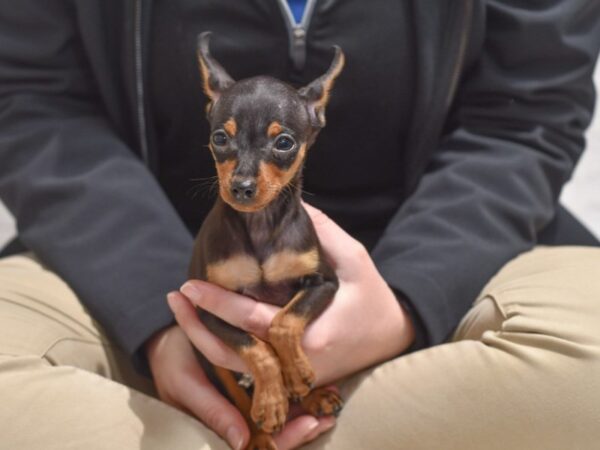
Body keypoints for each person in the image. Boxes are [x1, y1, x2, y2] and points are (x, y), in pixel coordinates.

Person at [1, 1, 599, 449]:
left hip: (456, 242)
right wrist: (163, 321)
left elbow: (529, 111)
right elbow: (32, 101)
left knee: (582, 370)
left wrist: (410, 306)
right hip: (130, 251)